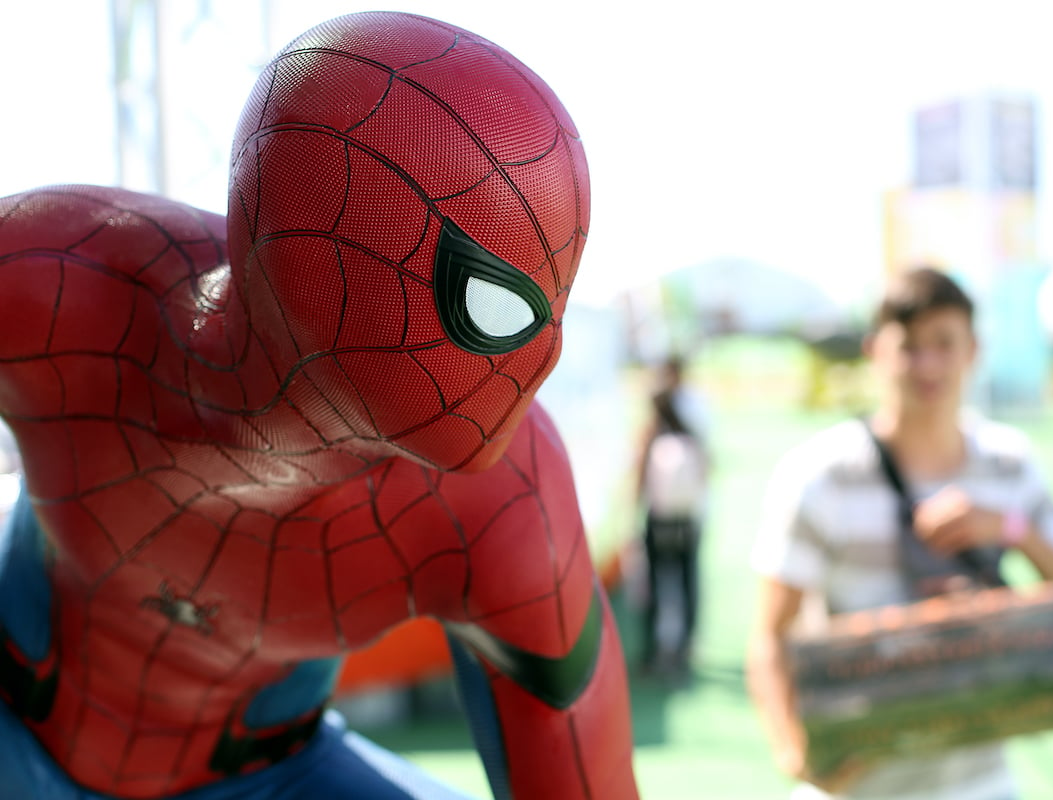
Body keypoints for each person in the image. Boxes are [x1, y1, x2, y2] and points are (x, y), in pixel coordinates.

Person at [0, 12, 639, 800]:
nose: (546, 357)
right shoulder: (58, 288)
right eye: (497, 304)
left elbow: (578, 770)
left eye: (554, 300)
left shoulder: (503, 502)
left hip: (273, 774)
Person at [745, 267, 1053, 800]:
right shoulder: (819, 474)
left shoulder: (1008, 465)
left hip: (981, 781)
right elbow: (771, 634)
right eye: (909, 346)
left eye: (944, 343)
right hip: (857, 783)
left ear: (973, 350)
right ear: (875, 351)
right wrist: (791, 748)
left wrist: (1008, 528)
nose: (927, 363)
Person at [633, 355, 710, 676]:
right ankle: (686, 646)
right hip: (689, 517)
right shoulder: (694, 423)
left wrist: (634, 509)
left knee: (654, 582)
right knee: (688, 579)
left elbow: (638, 473)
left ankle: (652, 650)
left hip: (659, 517)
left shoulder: (652, 430)